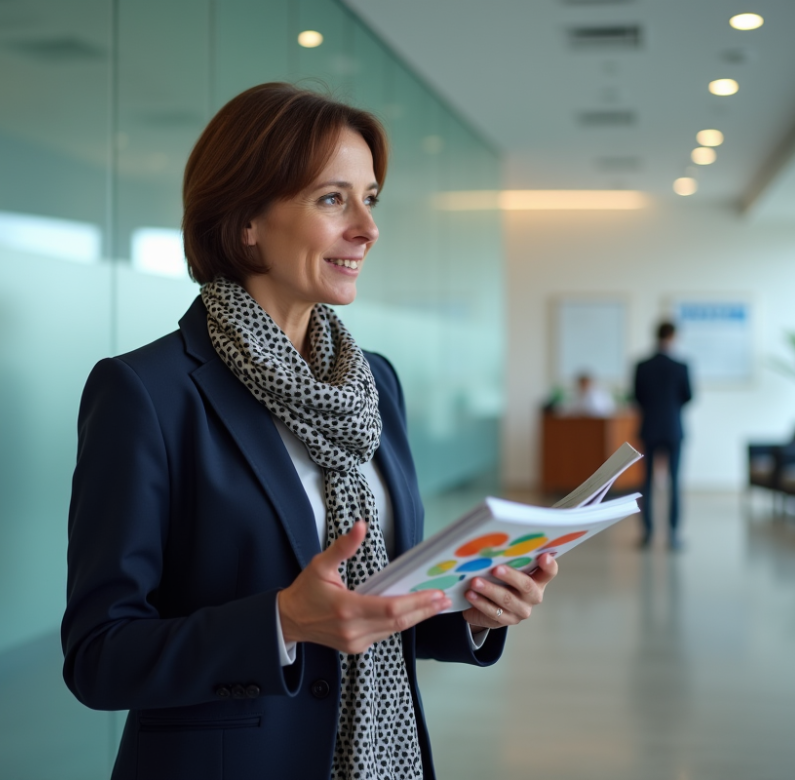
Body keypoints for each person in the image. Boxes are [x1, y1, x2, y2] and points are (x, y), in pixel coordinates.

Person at [60, 83, 559, 780]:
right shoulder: (146, 392)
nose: (368, 228)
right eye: (332, 199)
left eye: (370, 198)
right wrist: (281, 623)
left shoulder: (374, 381)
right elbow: (98, 657)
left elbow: (374, 601)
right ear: (246, 221)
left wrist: (473, 611)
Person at [633, 321, 693, 549]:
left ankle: (647, 533)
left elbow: (636, 396)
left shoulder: (642, 365)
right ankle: (673, 534)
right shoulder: (681, 365)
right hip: (673, 428)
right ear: (674, 337)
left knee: (646, 482)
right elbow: (688, 396)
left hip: (649, 427)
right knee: (675, 482)